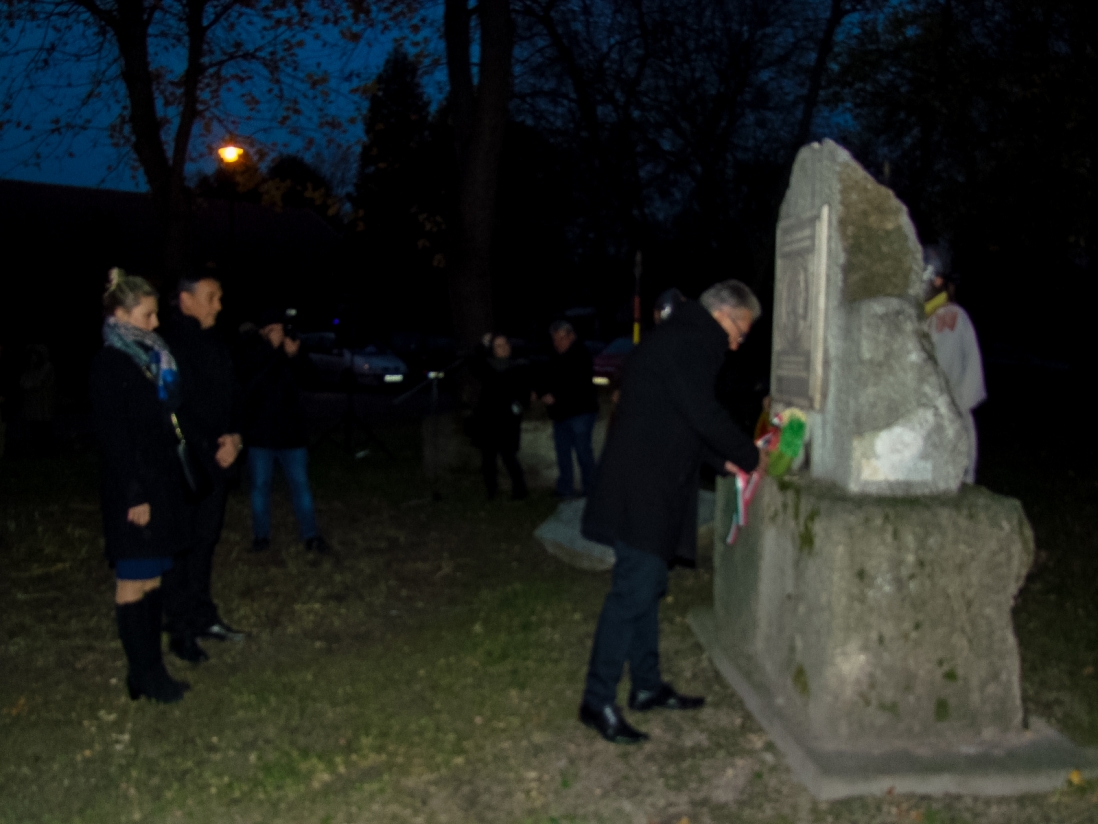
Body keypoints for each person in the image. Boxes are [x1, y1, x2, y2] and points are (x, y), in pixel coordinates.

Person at [579, 280, 766, 744]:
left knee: (646, 587)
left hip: (649, 483)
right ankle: (596, 700)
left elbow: (674, 416)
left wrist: (719, 460)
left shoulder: (679, 337)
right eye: (740, 332)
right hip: (644, 488)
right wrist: (750, 455)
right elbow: (702, 412)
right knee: (632, 592)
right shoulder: (690, 341)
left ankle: (646, 686)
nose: (738, 344)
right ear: (723, 314)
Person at [90, 268, 191, 703]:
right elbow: (116, 438)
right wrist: (136, 495)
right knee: (134, 577)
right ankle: (143, 672)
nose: (156, 323)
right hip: (133, 490)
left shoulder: (147, 358)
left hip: (158, 483)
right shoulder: (111, 364)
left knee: (152, 578)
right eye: (147, 315)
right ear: (120, 314)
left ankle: (151, 668)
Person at [159, 272, 246, 664]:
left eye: (220, 297)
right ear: (186, 300)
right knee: (182, 543)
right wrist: (212, 444)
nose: (219, 306)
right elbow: (174, 408)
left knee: (205, 540)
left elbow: (234, 394)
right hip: (185, 463)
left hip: (217, 461)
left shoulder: (216, 342)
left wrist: (236, 436)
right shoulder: (169, 346)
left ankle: (202, 615)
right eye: (211, 297)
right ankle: (180, 628)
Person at [241, 308, 329, 553]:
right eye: (273, 329)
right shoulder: (253, 350)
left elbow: (312, 381)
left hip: (292, 434)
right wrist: (269, 349)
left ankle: (310, 535)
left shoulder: (292, 348)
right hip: (260, 434)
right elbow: (246, 379)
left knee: (300, 485)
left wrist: (295, 356)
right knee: (260, 486)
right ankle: (261, 536)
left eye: (281, 328)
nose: (279, 333)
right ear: (263, 331)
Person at [924, 245, 986, 483]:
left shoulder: (949, 318)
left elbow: (942, 376)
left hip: (945, 428)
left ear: (937, 281)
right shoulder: (928, 316)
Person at [537, 321, 599, 498]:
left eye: (561, 338)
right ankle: (565, 489)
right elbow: (544, 378)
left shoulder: (581, 354)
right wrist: (543, 393)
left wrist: (555, 396)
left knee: (583, 452)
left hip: (580, 412)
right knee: (563, 453)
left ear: (572, 336)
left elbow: (577, 384)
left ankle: (591, 490)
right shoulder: (553, 356)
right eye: (555, 339)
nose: (558, 343)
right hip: (560, 413)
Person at [468, 333, 530, 500]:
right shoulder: (487, 367)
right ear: (493, 350)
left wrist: (518, 406)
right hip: (488, 420)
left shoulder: (519, 366)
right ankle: (491, 491)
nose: (504, 348)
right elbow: (473, 362)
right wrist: (482, 345)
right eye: (499, 346)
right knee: (488, 458)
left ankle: (520, 490)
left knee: (509, 456)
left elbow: (524, 393)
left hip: (507, 421)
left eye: (506, 344)